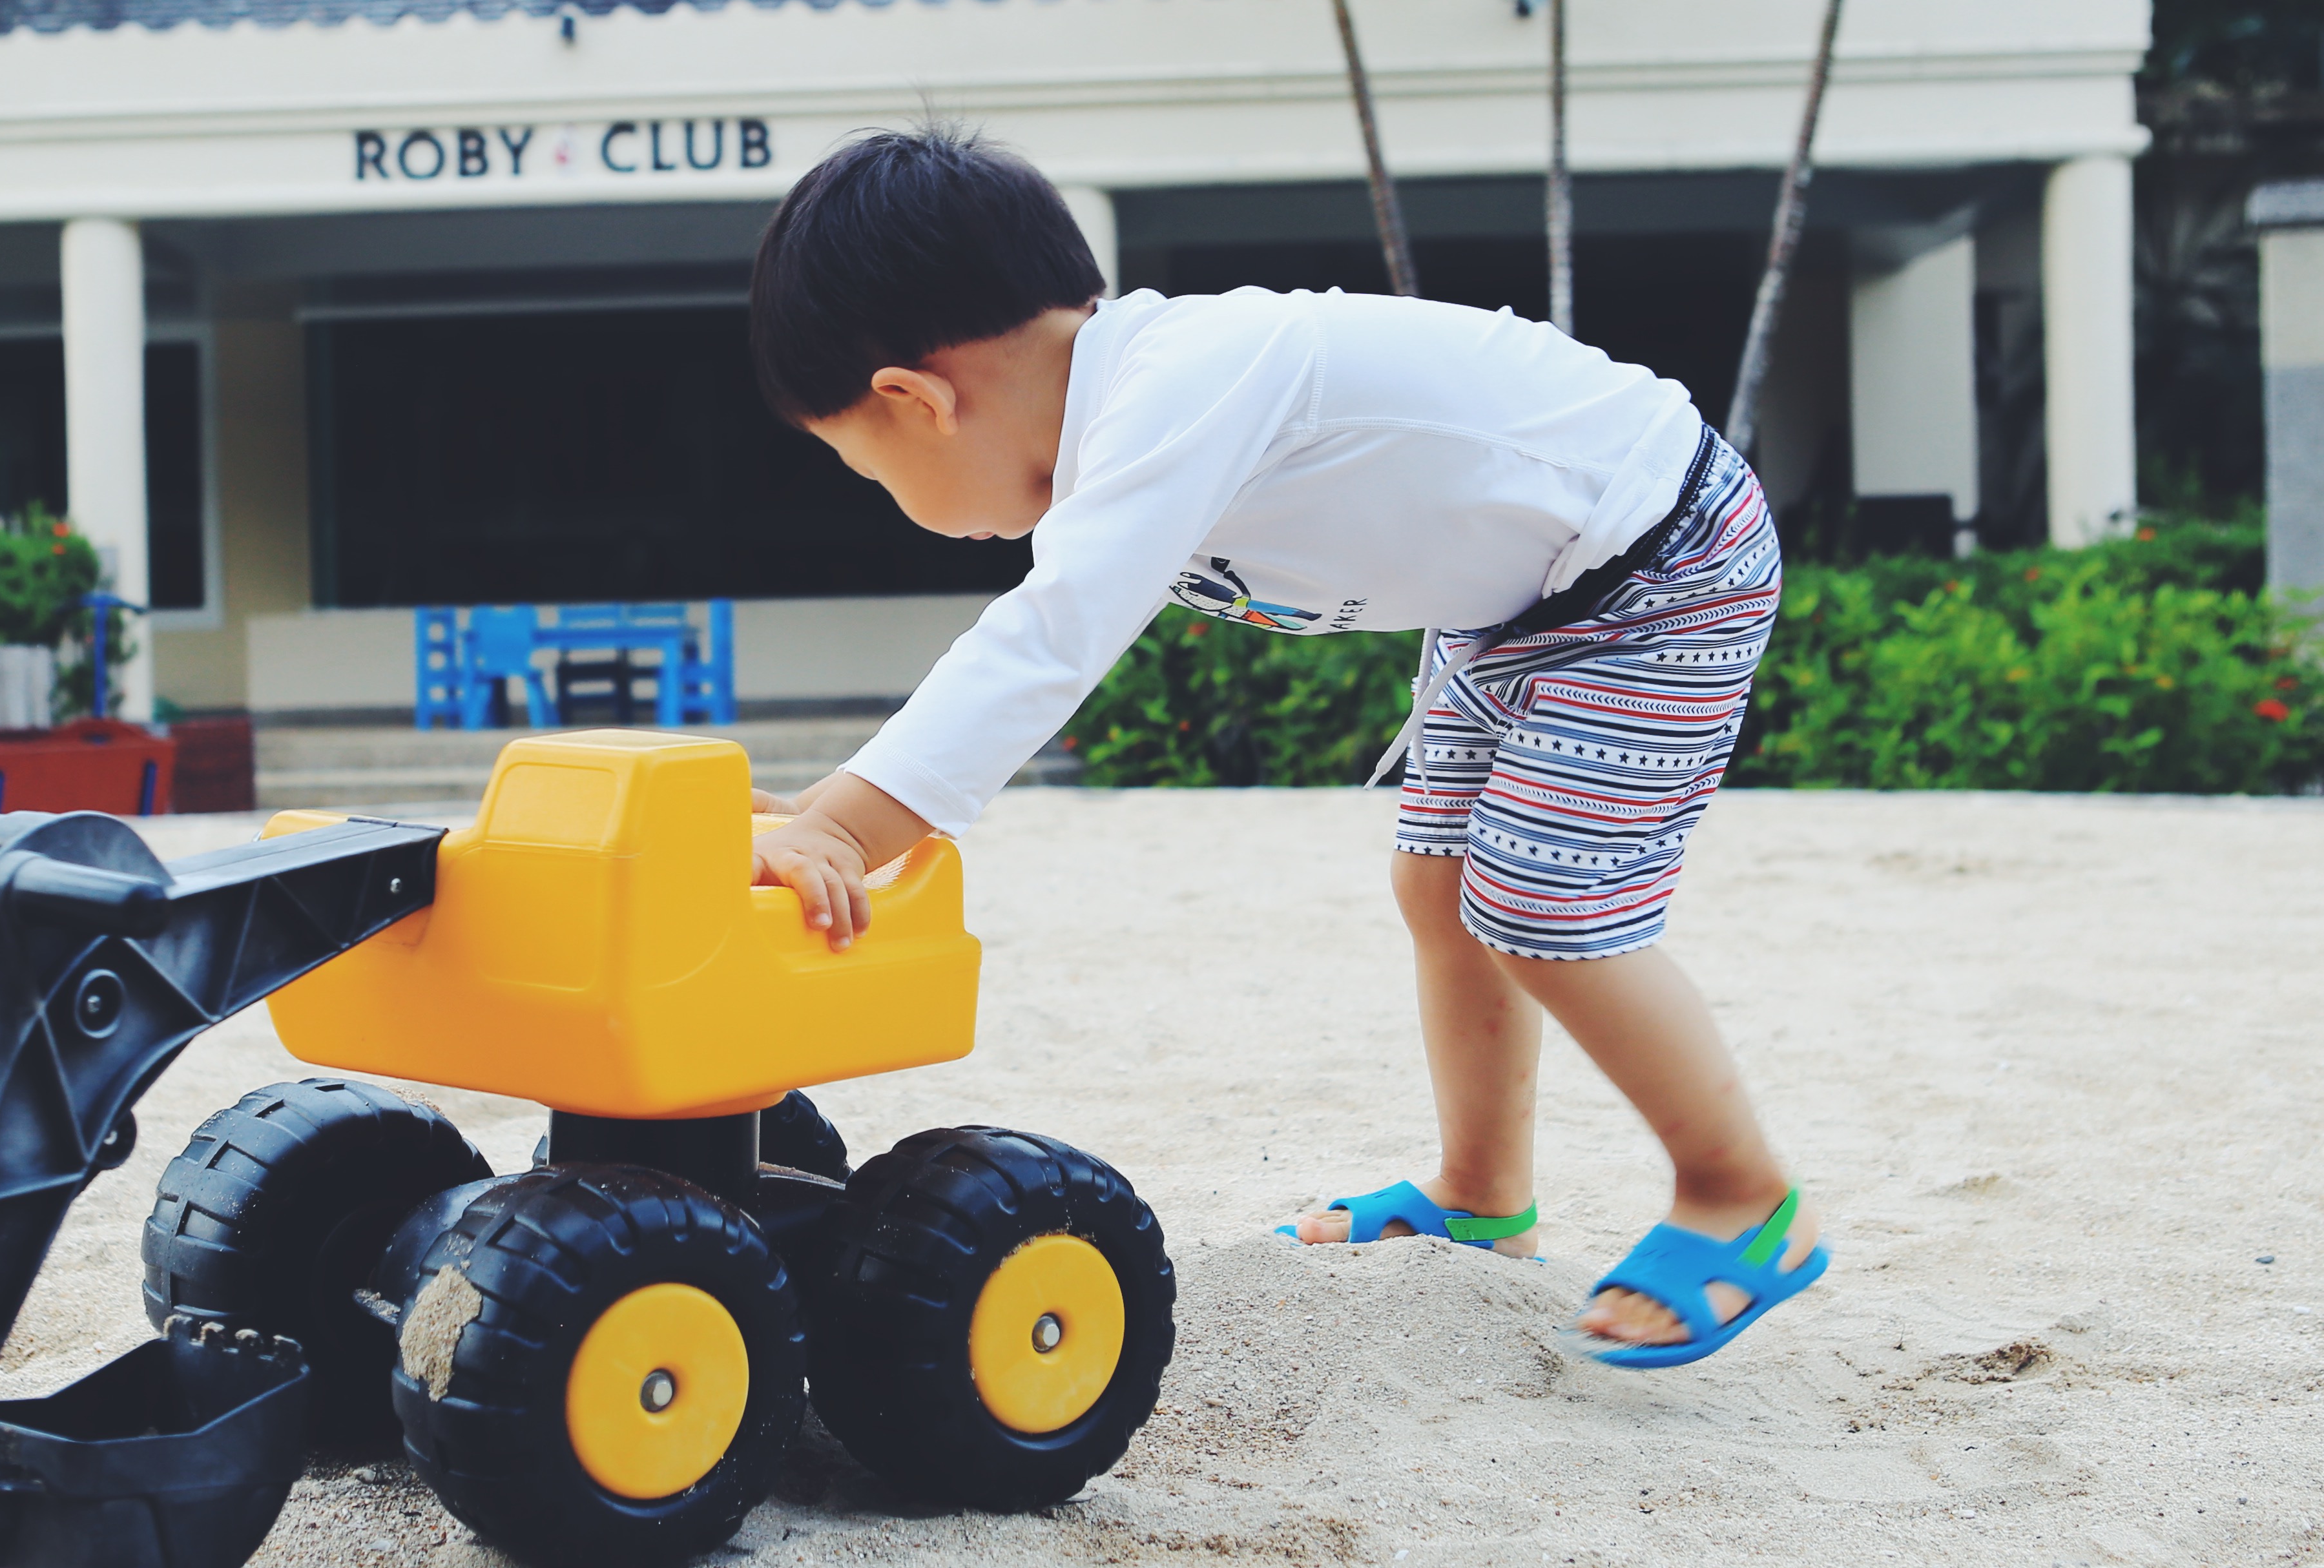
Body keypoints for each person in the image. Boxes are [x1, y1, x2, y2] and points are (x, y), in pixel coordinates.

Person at [744, 125, 1825, 1369]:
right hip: (1519, 599)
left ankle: (1741, 1192)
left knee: (1541, 898)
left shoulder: (1178, 383)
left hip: (1663, 562)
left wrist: (843, 822)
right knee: (1438, 886)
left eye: (863, 469)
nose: (888, 497)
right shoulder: (1139, 415)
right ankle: (1481, 1199)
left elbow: (1049, 639)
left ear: (914, 401)